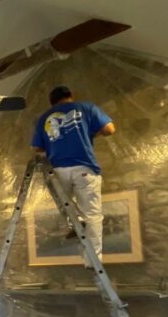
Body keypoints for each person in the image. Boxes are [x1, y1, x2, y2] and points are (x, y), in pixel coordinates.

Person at [31, 86, 116, 264]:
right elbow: (109, 129)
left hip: (58, 170)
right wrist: (90, 134)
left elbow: (37, 149)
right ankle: (92, 261)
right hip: (85, 167)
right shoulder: (86, 107)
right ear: (71, 96)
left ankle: (74, 220)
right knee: (92, 214)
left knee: (65, 204)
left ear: (52, 102)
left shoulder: (44, 118)